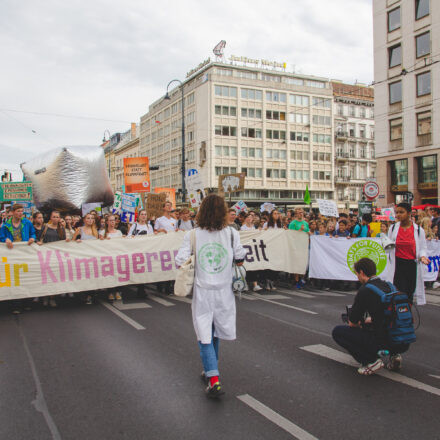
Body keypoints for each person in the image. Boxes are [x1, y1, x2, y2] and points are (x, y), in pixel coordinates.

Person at [175, 194, 246, 397]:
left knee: (204, 333)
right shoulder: (232, 234)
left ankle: (214, 380)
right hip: (224, 291)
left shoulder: (193, 234)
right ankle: (210, 369)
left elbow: (179, 259)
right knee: (215, 331)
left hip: (203, 290)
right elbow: (240, 257)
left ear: (202, 211)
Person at [332, 258, 410, 375]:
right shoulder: (390, 286)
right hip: (403, 340)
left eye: (357, 273)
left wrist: (360, 323)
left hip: (382, 341)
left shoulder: (365, 290)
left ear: (362, 272)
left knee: (338, 332)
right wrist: (372, 320)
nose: (357, 277)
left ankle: (371, 361)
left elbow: (352, 322)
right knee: (383, 326)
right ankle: (395, 355)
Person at [388, 202, 430, 305]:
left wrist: (423, 256)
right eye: (397, 212)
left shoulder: (419, 230)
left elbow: (422, 248)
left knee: (409, 293)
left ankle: (407, 316)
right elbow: (388, 245)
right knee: (398, 292)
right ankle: (399, 316)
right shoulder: (393, 228)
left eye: (401, 212)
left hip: (412, 265)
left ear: (409, 213)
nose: (398, 215)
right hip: (397, 265)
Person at [0, 204, 36, 314]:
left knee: (26, 278)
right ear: (13, 212)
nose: (21, 213)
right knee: (15, 279)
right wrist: (6, 239)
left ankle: (27, 303)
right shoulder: (6, 226)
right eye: (18, 211)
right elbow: (1, 237)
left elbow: (33, 233)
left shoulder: (27, 223)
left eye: (22, 211)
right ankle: (16, 304)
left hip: (25, 254)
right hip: (12, 255)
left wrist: (32, 238)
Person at [37, 210, 67, 307]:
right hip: (46, 257)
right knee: (46, 278)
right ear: (50, 218)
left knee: (54, 278)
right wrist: (39, 243)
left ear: (59, 218)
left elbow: (63, 242)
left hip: (56, 258)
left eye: (57, 217)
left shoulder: (62, 229)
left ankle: (52, 298)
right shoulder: (45, 228)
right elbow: (38, 239)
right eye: (53, 216)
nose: (55, 218)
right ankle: (45, 296)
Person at [73, 213, 99, 304]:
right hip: (82, 258)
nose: (90, 220)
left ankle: (90, 295)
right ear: (84, 220)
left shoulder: (95, 231)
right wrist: (77, 241)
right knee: (84, 277)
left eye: (92, 218)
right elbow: (72, 242)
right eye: (88, 218)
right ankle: (84, 295)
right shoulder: (79, 230)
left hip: (93, 258)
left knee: (92, 277)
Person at [100, 215, 123, 301]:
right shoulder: (102, 232)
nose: (113, 222)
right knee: (110, 275)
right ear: (107, 222)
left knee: (118, 274)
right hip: (108, 257)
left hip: (117, 256)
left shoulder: (119, 232)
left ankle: (117, 292)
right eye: (111, 220)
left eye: (114, 220)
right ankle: (110, 292)